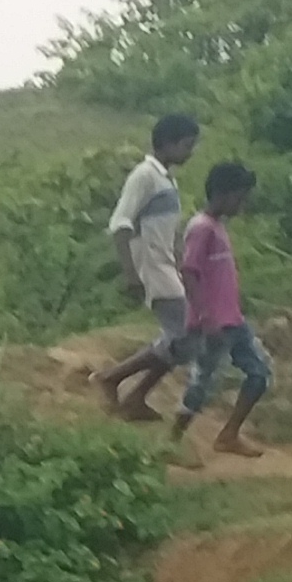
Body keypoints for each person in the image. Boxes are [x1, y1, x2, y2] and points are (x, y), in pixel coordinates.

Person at [94, 115, 201, 421]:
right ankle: (111, 379)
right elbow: (120, 224)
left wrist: (184, 265)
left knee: (184, 341)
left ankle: (135, 396)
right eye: (186, 145)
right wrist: (131, 273)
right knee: (185, 335)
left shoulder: (166, 180)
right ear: (168, 143)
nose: (189, 153)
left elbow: (167, 232)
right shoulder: (144, 176)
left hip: (166, 268)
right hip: (153, 269)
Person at [172, 160, 272, 460]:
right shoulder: (202, 228)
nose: (242, 203)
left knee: (259, 374)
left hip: (232, 319)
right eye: (240, 196)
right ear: (223, 194)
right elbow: (188, 271)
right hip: (213, 322)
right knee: (202, 383)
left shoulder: (217, 227)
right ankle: (171, 442)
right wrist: (205, 317)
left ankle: (229, 434)